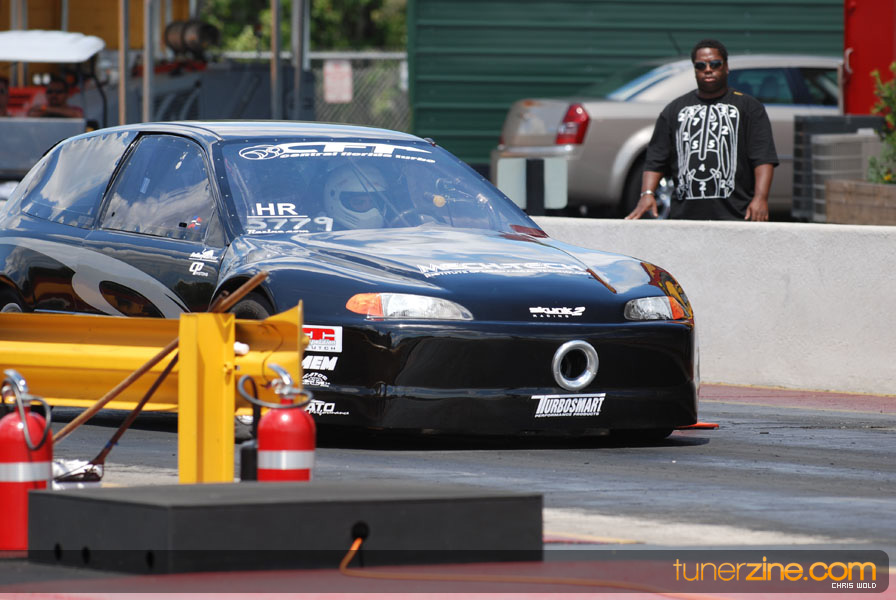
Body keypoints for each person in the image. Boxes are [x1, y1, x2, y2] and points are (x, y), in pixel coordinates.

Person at [626, 39, 778, 221]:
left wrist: (761, 198)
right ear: (695, 70)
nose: (708, 69)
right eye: (700, 65)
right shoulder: (675, 109)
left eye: (715, 64)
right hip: (684, 217)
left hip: (736, 215)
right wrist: (647, 194)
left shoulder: (748, 107)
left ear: (726, 67)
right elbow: (655, 159)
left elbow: (763, 157)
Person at [323, 163, 387, 229]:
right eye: (359, 202)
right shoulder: (320, 233)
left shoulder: (392, 229)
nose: (368, 208)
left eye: (374, 202)